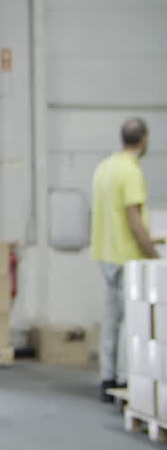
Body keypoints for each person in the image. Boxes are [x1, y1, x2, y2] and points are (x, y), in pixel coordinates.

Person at [91, 117, 162, 401]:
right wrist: (154, 256)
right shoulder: (131, 172)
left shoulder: (105, 168)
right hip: (127, 257)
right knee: (132, 323)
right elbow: (134, 221)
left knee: (111, 320)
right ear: (144, 139)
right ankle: (125, 380)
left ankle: (107, 378)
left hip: (105, 255)